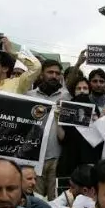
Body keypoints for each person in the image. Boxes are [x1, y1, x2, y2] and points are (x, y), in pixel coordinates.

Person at [28, 59, 69, 200]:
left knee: (56, 201)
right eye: (50, 72)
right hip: (35, 157)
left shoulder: (67, 97)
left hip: (57, 158)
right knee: (36, 200)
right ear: (41, 74)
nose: (54, 76)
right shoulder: (29, 96)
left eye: (57, 73)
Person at [57, 77, 103, 178]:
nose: (82, 91)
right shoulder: (66, 107)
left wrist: (97, 121)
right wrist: (58, 120)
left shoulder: (94, 108)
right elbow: (62, 138)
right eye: (78, 88)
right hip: (70, 157)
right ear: (74, 91)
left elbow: (100, 137)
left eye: (85, 88)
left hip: (89, 157)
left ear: (89, 91)